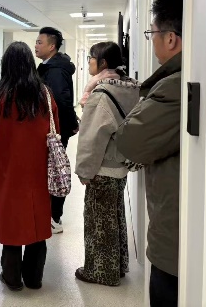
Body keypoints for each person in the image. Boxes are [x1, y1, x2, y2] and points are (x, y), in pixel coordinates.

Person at [116, 0, 183, 307]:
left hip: (173, 240)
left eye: (151, 34)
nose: (151, 42)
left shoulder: (173, 87)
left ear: (170, 38)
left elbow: (130, 141)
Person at [0, 42, 58, 291]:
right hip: (39, 169)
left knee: (12, 223)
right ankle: (34, 278)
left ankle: (12, 278)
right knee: (37, 222)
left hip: (9, 171)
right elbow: (55, 128)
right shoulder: (44, 94)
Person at [74, 42, 140, 287]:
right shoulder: (129, 88)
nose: (89, 62)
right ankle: (117, 266)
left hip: (102, 168)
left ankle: (100, 272)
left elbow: (91, 138)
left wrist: (84, 171)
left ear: (102, 63)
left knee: (99, 222)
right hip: (120, 165)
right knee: (115, 217)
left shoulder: (101, 94)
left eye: (91, 58)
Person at [35, 27, 78, 234]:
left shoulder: (55, 70)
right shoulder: (49, 67)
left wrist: (68, 125)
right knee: (51, 169)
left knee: (55, 170)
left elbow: (60, 101)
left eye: (40, 42)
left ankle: (54, 217)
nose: (36, 46)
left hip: (55, 130)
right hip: (54, 128)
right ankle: (50, 214)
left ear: (52, 46)